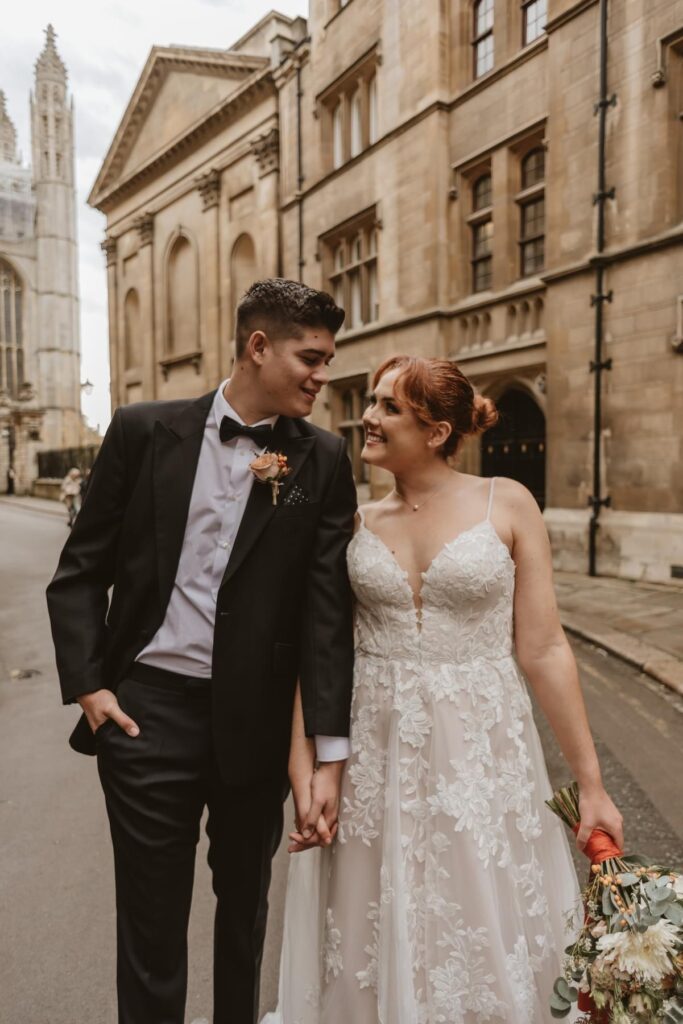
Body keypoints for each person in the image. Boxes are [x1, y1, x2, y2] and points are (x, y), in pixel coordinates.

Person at [267, 355, 623, 1024]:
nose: (366, 417)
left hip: (481, 752)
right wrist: (308, 767)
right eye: (370, 401)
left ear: (434, 431)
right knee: (374, 907)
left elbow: (542, 648)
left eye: (387, 407)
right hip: (374, 751)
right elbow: (319, 653)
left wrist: (591, 784)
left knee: (478, 902)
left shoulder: (506, 501)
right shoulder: (353, 519)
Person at [46, 279, 356, 1024]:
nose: (322, 375)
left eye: (326, 360)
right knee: (150, 929)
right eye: (309, 358)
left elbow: (326, 618)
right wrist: (92, 688)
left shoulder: (321, 457)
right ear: (257, 347)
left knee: (245, 915)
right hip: (145, 715)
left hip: (254, 727)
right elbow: (81, 571)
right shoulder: (143, 431)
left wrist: (323, 751)